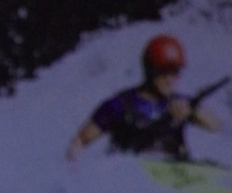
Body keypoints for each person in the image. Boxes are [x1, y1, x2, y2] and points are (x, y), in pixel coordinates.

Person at [67, 34, 221, 162]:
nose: (170, 79)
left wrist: (193, 111)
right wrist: (75, 169)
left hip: (174, 175)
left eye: (175, 72)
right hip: (132, 177)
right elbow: (79, 142)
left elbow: (216, 126)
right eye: (163, 71)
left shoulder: (181, 102)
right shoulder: (118, 105)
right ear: (149, 70)